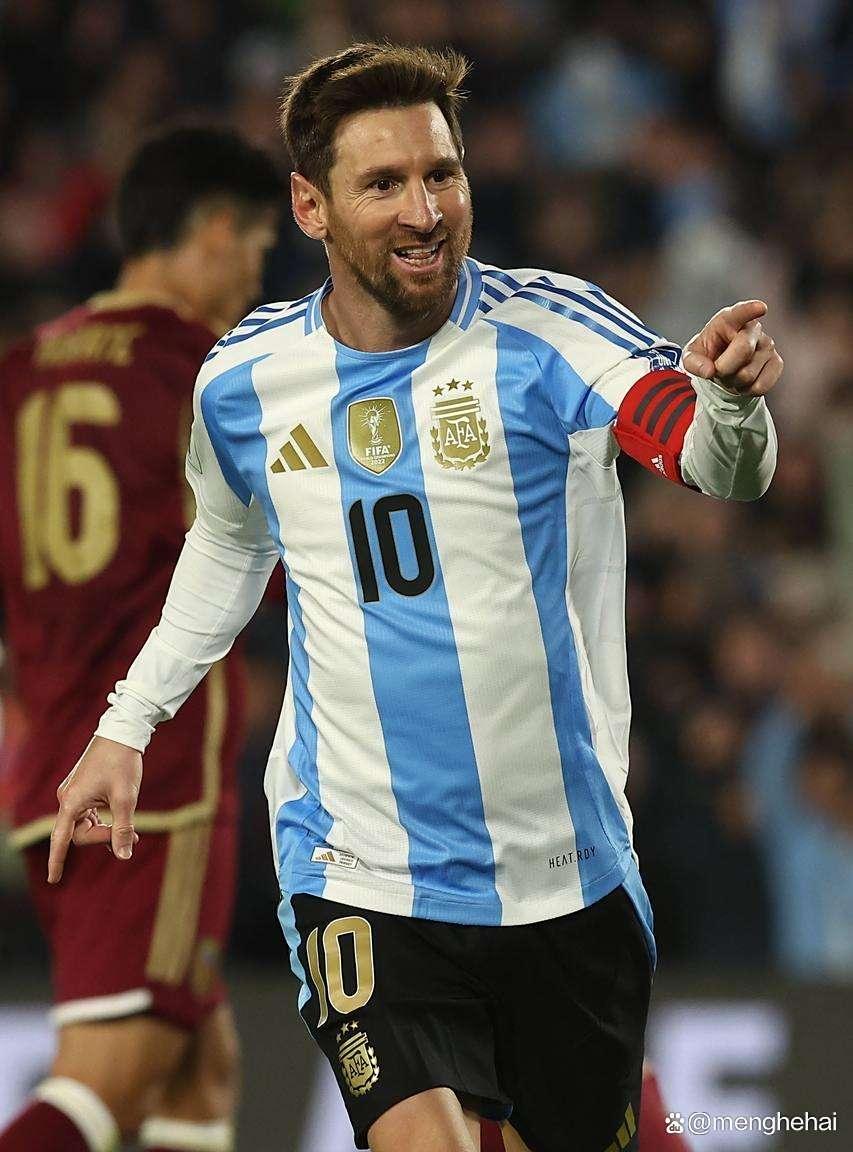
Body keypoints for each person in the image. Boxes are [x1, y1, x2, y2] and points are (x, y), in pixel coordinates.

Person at [46, 44, 782, 1152]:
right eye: (383, 183)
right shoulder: (243, 383)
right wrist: (127, 722)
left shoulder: (550, 333)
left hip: (564, 874)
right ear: (309, 206)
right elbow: (229, 546)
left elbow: (716, 462)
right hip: (359, 867)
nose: (425, 211)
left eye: (442, 174)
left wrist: (726, 402)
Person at [0, 126, 281, 1152]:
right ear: (212, 233)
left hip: (46, 768)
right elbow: (255, 557)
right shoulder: (199, 372)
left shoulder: (20, 372)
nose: (255, 279)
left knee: (201, 1076)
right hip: (148, 785)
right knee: (103, 1088)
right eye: (255, 247)